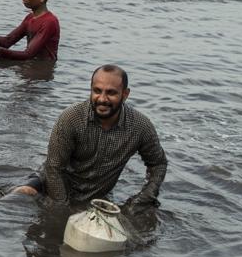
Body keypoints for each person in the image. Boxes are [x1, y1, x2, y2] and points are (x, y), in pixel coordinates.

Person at [12, 65, 166, 206]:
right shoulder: (71, 118)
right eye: (97, 91)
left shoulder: (140, 126)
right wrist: (62, 208)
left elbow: (158, 164)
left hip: (96, 195)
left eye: (111, 93)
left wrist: (143, 198)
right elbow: (54, 168)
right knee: (19, 196)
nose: (102, 99)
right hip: (52, 185)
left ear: (125, 94)